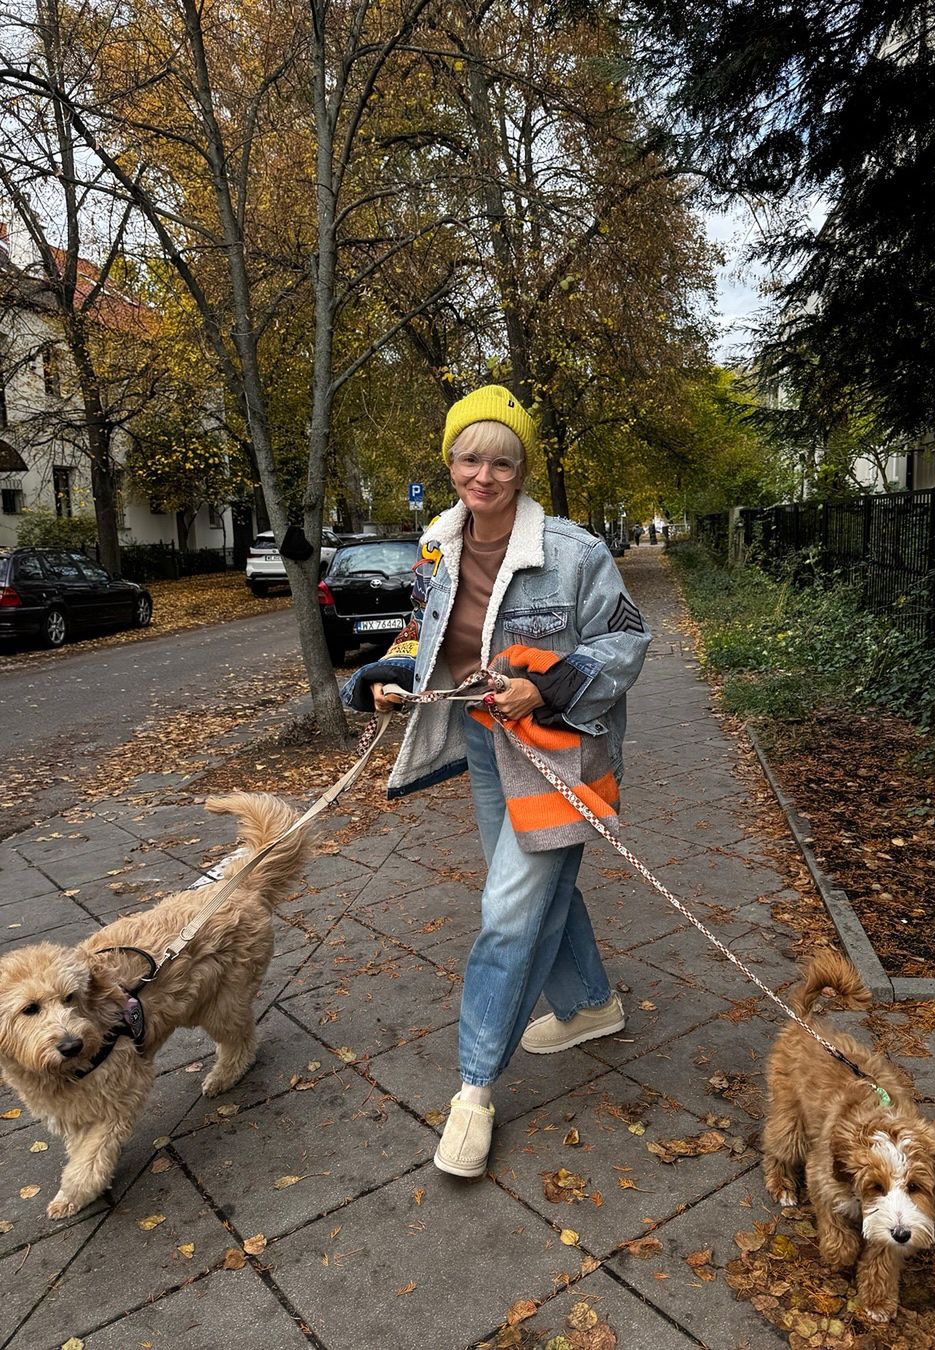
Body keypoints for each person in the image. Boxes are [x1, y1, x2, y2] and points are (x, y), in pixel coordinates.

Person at [341, 385, 651, 1178]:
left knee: (509, 910)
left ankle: (473, 1090)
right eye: (470, 458)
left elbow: (626, 639)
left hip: (557, 750)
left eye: (501, 460)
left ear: (521, 469)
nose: (485, 474)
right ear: (449, 464)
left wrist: (546, 686)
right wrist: (389, 674)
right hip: (485, 746)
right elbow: (425, 631)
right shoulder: (438, 549)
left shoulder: (575, 552)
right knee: (533, 888)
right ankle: (590, 1007)